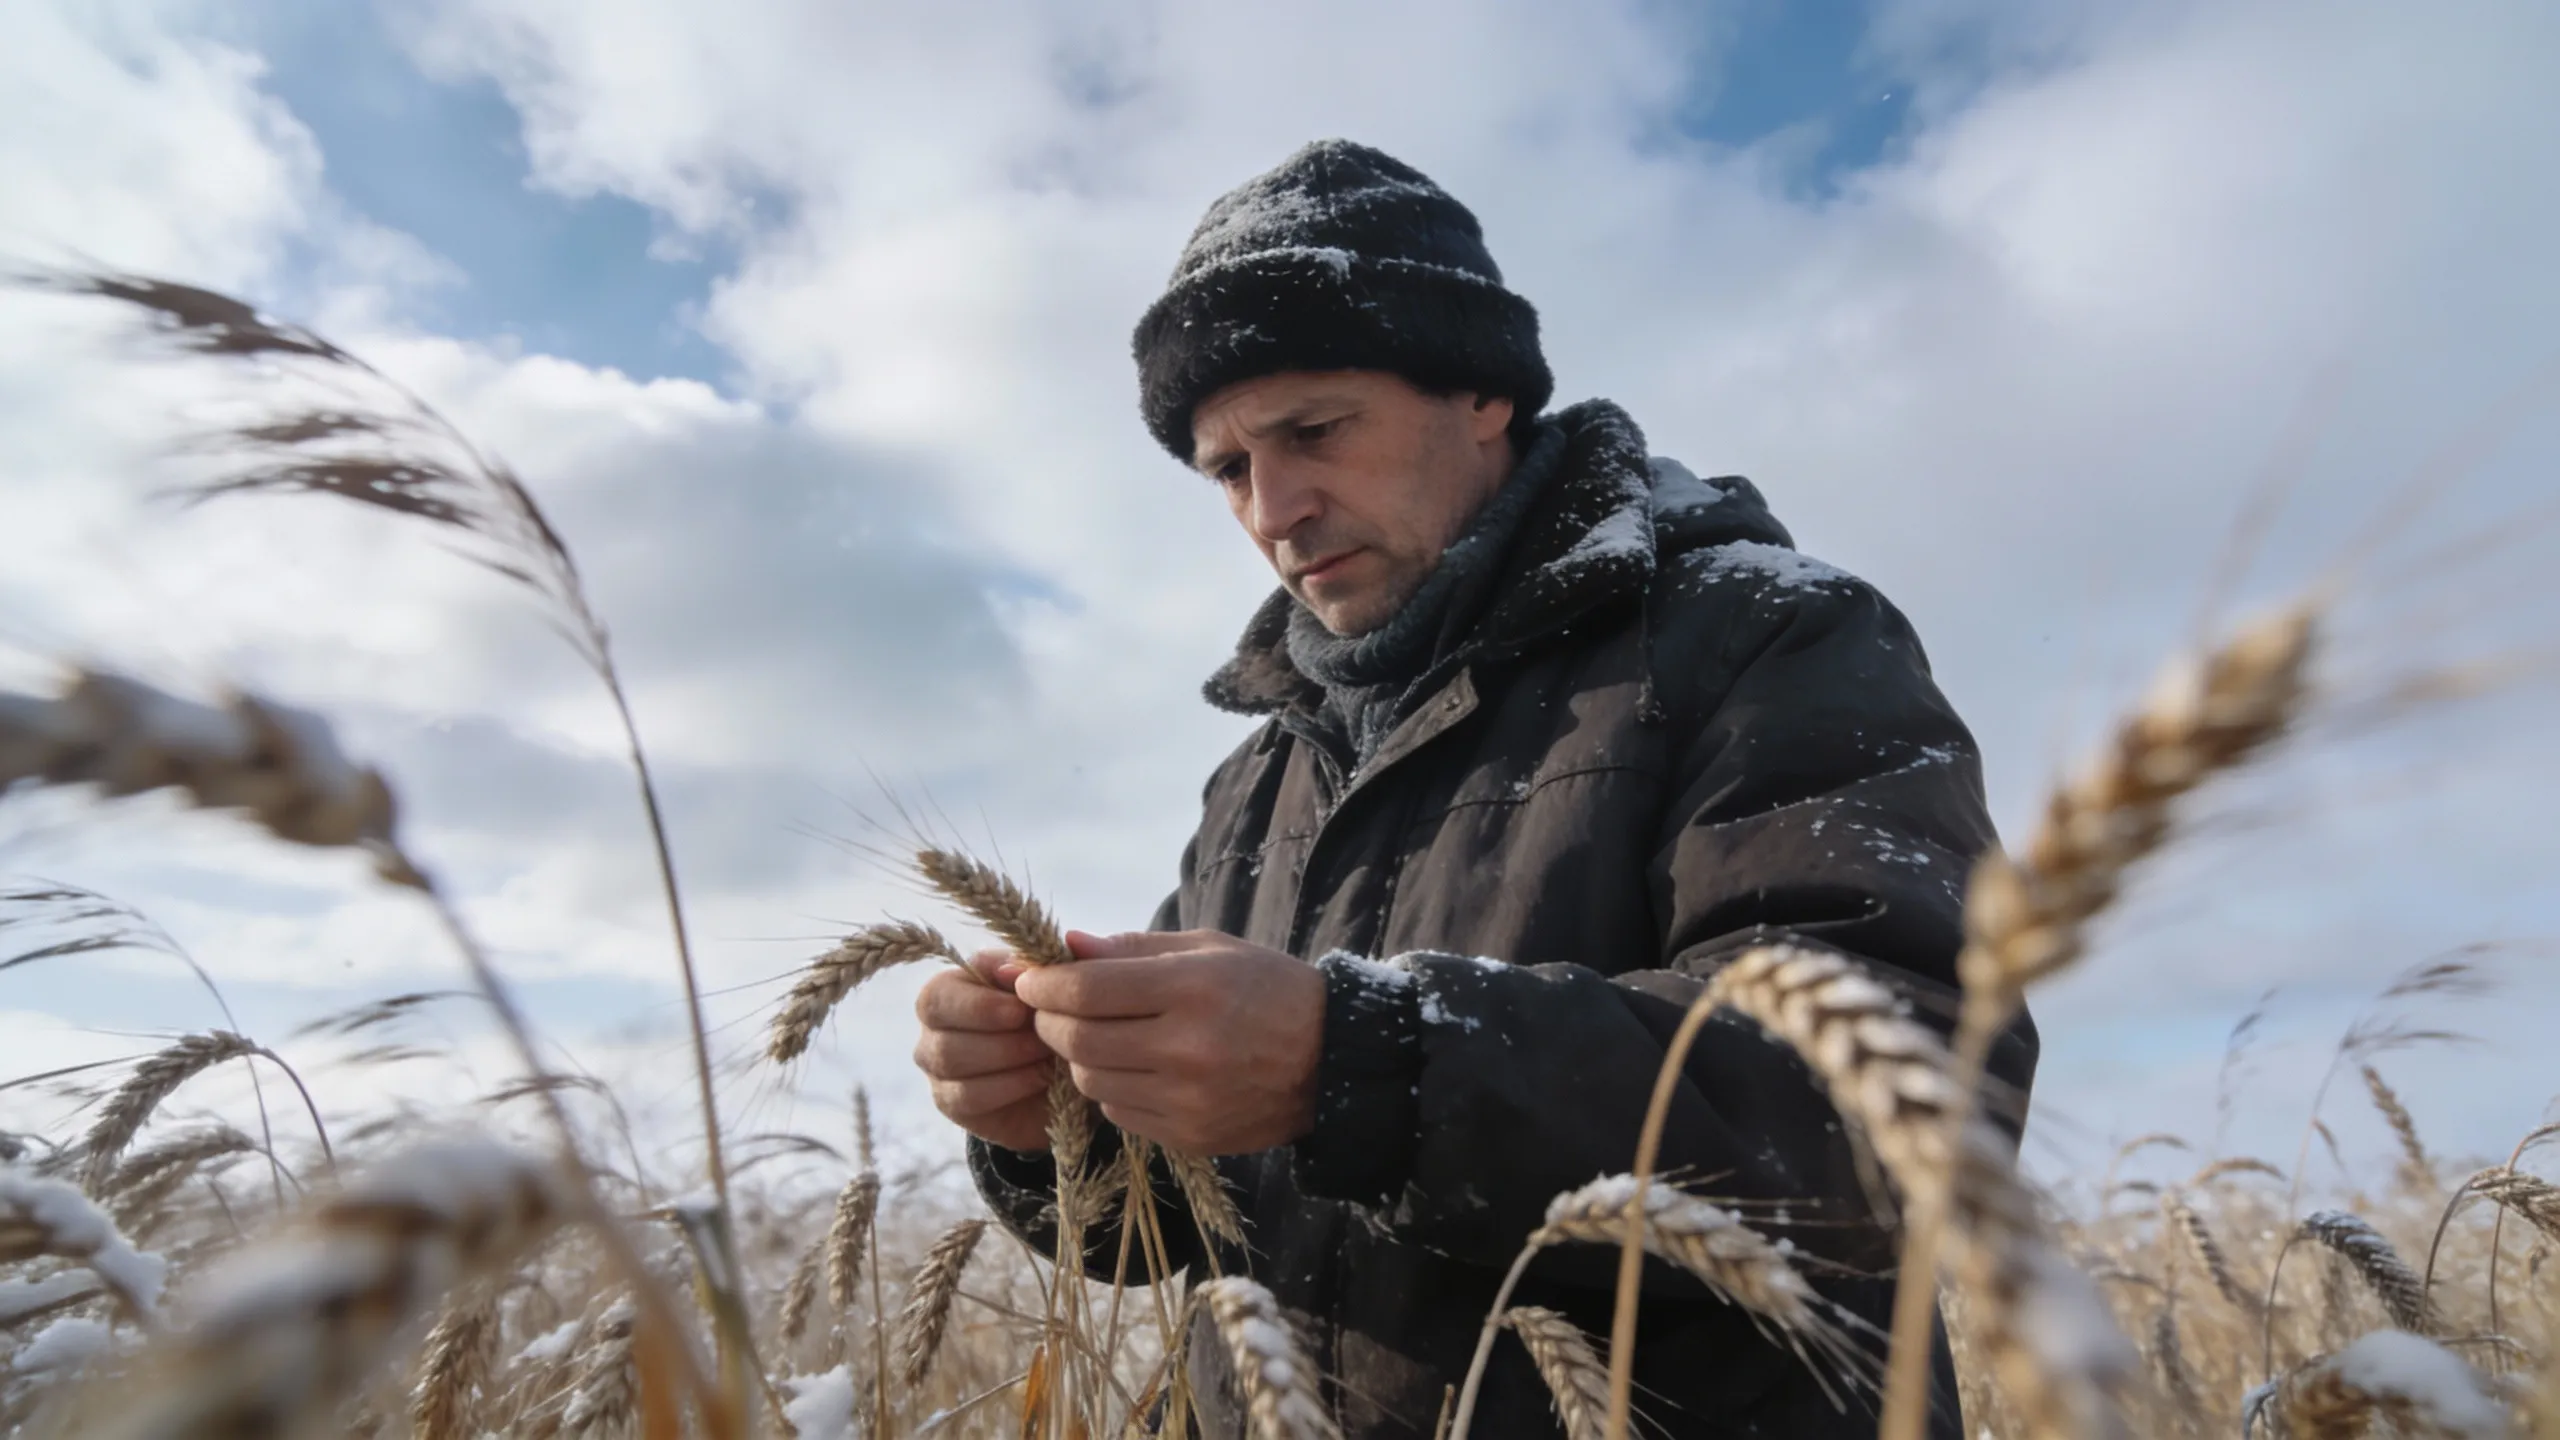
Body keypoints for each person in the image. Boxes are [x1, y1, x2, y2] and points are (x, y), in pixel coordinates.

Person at [911, 138, 2036, 1439]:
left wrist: (1359, 1067)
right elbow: (1190, 1226)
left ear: (1483, 395)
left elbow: (1899, 1113)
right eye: (1227, 469)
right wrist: (1054, 1123)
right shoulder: (1257, 777)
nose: (1274, 507)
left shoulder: (1766, 640)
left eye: (1314, 430)